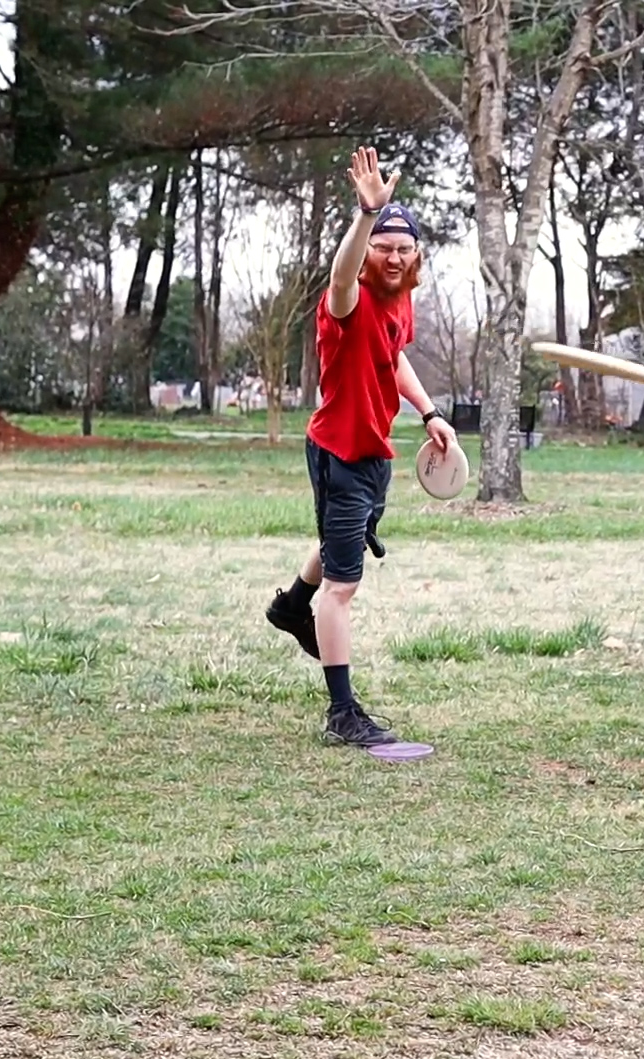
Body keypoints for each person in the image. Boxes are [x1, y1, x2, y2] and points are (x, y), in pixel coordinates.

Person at [264, 146, 457, 748]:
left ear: (417, 254)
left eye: (404, 247)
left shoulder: (402, 300)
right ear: (369, 249)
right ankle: (342, 713)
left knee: (342, 545)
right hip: (342, 451)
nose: (393, 256)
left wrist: (429, 411)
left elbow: (392, 355)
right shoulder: (346, 300)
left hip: (374, 453)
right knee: (342, 587)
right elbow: (342, 275)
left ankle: (292, 606)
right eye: (383, 246)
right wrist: (366, 217)